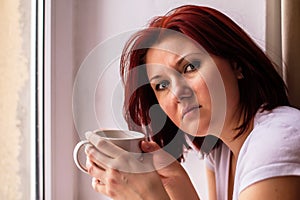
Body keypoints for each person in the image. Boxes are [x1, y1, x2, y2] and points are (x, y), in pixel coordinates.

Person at [84, 5, 300, 200]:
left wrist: (150, 196)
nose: (177, 93)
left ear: (236, 65)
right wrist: (175, 181)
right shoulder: (220, 154)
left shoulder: (276, 140)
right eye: (161, 85)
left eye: (189, 67)